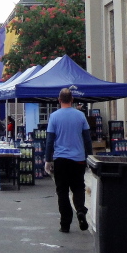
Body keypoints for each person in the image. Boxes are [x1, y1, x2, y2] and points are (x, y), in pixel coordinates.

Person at [44, 88, 93, 233]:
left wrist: (48, 160)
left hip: (60, 159)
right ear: (72, 100)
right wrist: (89, 156)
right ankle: (80, 210)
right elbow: (87, 139)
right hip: (78, 159)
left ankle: (65, 223)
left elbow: (50, 140)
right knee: (78, 187)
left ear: (59, 100)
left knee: (62, 191)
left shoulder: (54, 117)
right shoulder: (81, 116)